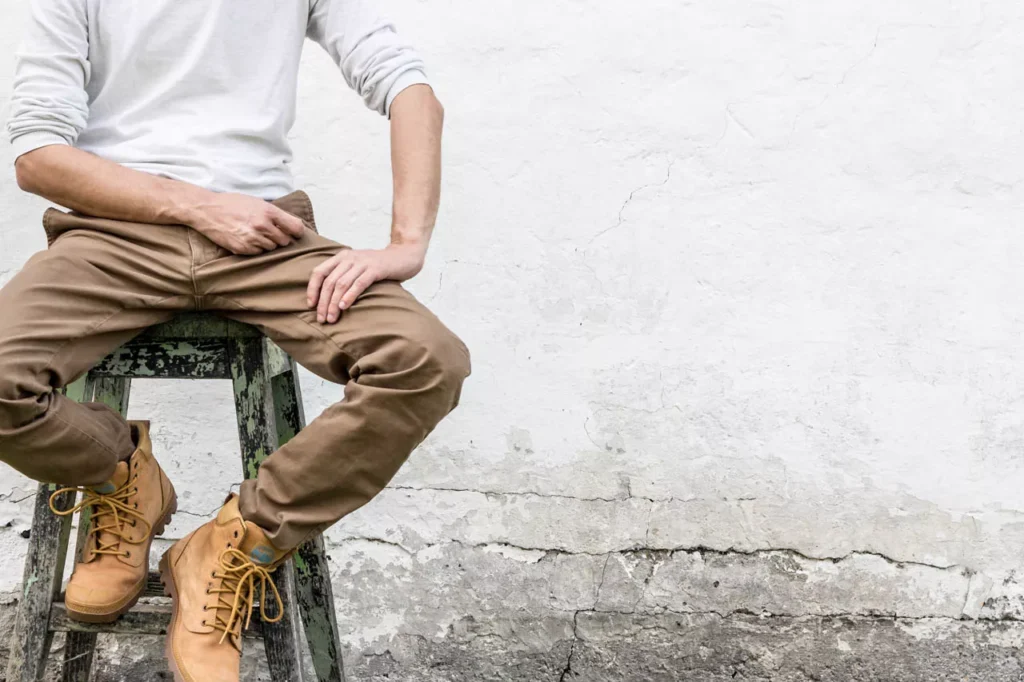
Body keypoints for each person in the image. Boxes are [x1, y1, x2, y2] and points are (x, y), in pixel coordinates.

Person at [1, 1, 470, 680]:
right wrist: (199, 206)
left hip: (266, 236)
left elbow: (409, 87)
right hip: (113, 234)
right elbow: (38, 155)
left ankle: (232, 544)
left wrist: (406, 243)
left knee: (425, 361)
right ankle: (121, 478)